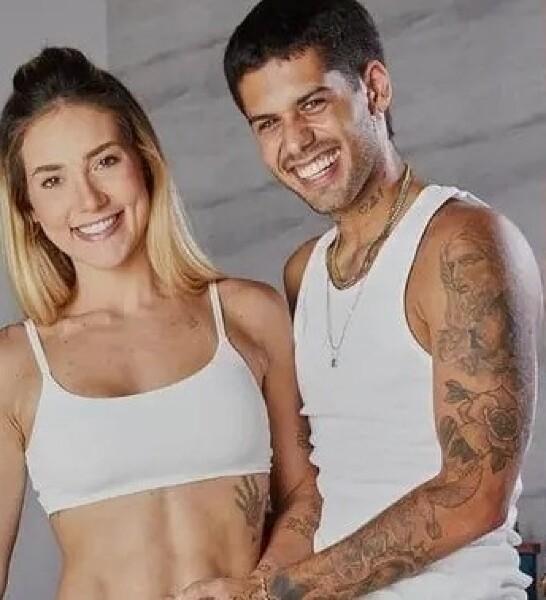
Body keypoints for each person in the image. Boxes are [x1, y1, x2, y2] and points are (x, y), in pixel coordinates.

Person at [179, 1, 543, 599]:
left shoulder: (463, 244)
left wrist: (274, 593)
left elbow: (474, 495)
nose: (295, 142)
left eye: (312, 104)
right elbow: (322, 485)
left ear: (374, 88)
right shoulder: (304, 272)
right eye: (267, 123)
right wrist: (254, 585)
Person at [0, 47, 320, 600]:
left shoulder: (249, 315)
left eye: (105, 161)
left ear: (143, 161)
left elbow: (307, 495)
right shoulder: (15, 365)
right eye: (52, 181)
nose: (89, 199)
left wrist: (259, 588)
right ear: (28, 207)